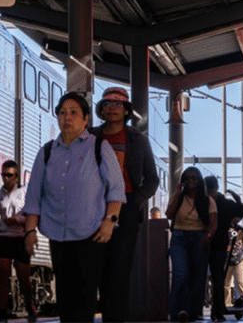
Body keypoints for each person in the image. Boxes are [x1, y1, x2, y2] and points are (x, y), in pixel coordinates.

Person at [23, 92, 125, 323]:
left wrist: (110, 221)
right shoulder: (47, 152)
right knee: (65, 297)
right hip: (57, 234)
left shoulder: (99, 147)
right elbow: (33, 195)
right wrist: (30, 231)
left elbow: (116, 189)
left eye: (73, 112)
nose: (67, 117)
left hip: (90, 234)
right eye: (62, 112)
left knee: (85, 297)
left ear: (86, 119)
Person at [94, 87, 161, 322]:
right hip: (95, 207)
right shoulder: (91, 136)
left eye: (118, 104)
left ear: (126, 110)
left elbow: (153, 178)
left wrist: (137, 202)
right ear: (101, 109)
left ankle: (117, 318)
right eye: (107, 104)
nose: (112, 108)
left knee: (120, 268)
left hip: (127, 208)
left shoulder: (137, 140)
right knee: (98, 265)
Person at [0, 160, 36, 323]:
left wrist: (17, 221)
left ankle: (30, 305)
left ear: (16, 177)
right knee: (2, 275)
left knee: (23, 277)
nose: (5, 178)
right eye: (3, 174)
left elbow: (31, 215)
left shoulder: (24, 193)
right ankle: (1, 313)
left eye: (9, 175)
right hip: (5, 238)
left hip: (20, 239)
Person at [165, 166, 217, 322]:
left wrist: (208, 235)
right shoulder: (178, 197)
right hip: (179, 237)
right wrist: (178, 194)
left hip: (199, 238)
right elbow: (169, 214)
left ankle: (191, 311)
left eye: (194, 178)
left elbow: (214, 222)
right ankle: (175, 311)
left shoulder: (208, 200)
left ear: (199, 181)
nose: (191, 181)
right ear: (183, 182)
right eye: (187, 178)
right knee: (180, 275)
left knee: (197, 277)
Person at [205, 176, 243, 322]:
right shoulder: (224, 202)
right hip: (215, 244)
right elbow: (241, 211)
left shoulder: (205, 201)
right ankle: (217, 312)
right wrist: (236, 198)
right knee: (218, 279)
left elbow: (241, 211)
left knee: (216, 279)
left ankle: (215, 311)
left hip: (211, 244)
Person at [223, 227, 243, 310]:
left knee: (240, 282)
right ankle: (226, 304)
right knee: (226, 284)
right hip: (226, 259)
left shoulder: (239, 227)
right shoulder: (222, 225)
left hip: (239, 258)